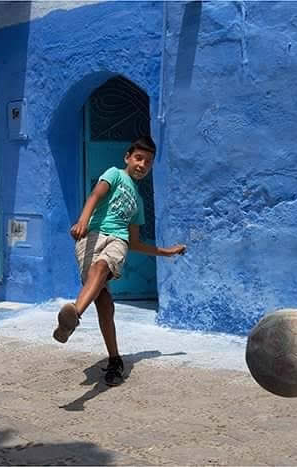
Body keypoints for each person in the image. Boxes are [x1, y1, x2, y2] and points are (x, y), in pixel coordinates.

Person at [53, 135, 186, 386]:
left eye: (148, 162)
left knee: (102, 267)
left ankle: (74, 316)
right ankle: (115, 359)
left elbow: (134, 242)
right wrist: (82, 220)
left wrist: (166, 253)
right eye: (138, 158)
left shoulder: (139, 201)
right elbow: (95, 195)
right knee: (105, 304)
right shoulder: (114, 173)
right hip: (89, 237)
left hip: (118, 240)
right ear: (127, 157)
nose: (142, 165)